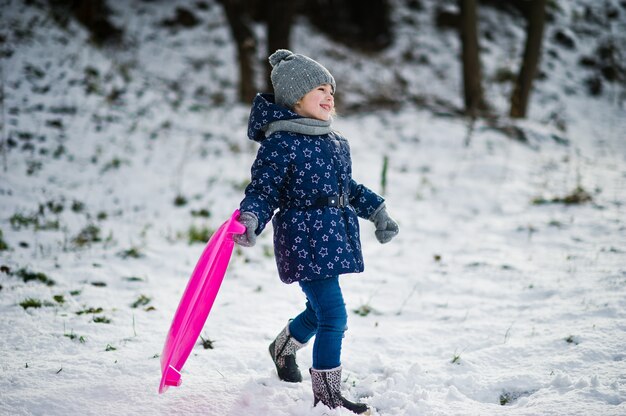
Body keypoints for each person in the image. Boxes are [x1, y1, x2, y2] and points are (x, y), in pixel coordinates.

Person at [234, 49, 399, 414]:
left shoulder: (335, 142)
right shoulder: (280, 143)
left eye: (331, 90)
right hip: (303, 239)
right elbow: (264, 191)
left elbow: (348, 188)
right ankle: (328, 397)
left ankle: (283, 347)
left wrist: (378, 211)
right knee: (334, 316)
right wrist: (250, 219)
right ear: (295, 98)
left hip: (335, 238)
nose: (329, 96)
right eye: (319, 89)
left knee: (318, 309)